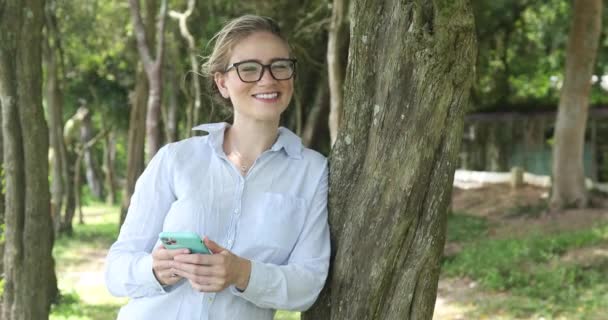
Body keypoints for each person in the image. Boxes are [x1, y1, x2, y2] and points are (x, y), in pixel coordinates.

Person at [104, 15, 330, 320]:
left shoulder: (313, 172)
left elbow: (309, 283)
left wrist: (242, 273)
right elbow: (116, 269)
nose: (268, 79)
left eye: (280, 66)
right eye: (248, 68)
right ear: (222, 82)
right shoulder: (175, 159)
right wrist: (155, 269)